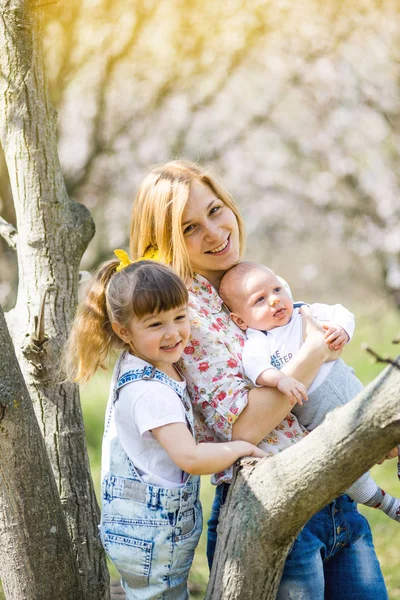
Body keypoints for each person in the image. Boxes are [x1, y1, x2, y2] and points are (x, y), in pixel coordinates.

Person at [129, 160, 390, 599]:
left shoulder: (253, 282)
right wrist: (315, 348)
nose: (213, 233)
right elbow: (244, 425)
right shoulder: (179, 311)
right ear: (166, 239)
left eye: (215, 211)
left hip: (333, 493)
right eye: (189, 227)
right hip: (274, 501)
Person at [65, 257, 266, 600]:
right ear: (123, 331)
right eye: (156, 324)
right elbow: (190, 457)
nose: (173, 332)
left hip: (144, 532)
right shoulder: (150, 391)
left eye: (179, 317)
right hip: (153, 538)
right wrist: (242, 448)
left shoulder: (145, 363)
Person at [219, 261, 400, 523]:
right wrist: (280, 380)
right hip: (324, 422)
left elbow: (341, 312)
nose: (274, 301)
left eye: (277, 289)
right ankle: (388, 504)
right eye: (260, 300)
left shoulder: (304, 312)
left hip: (355, 395)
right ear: (240, 320)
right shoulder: (258, 341)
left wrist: (342, 330)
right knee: (351, 478)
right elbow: (256, 369)